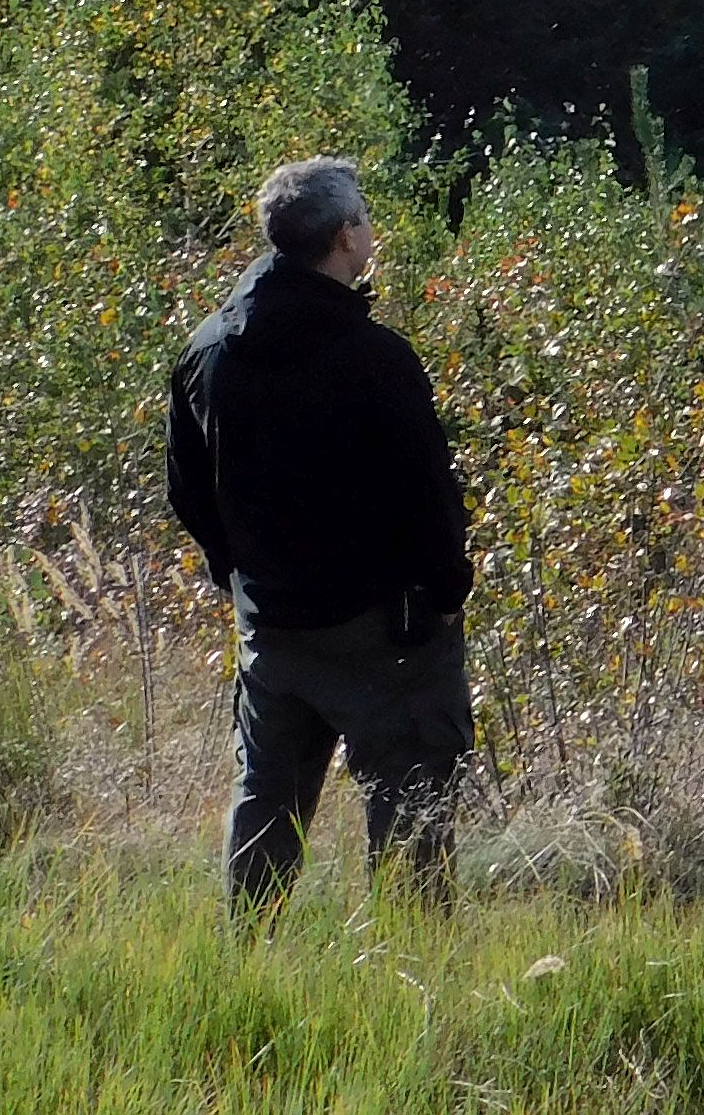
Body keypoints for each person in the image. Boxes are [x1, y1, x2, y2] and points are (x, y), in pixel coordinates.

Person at [163, 156, 476, 910]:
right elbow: (429, 495)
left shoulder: (207, 351)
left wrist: (239, 577)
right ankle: (413, 966)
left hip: (272, 628)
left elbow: (187, 491)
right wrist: (443, 592)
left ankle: (249, 958)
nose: (371, 230)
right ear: (343, 238)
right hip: (382, 633)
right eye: (364, 218)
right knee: (411, 800)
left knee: (267, 801)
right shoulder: (376, 360)